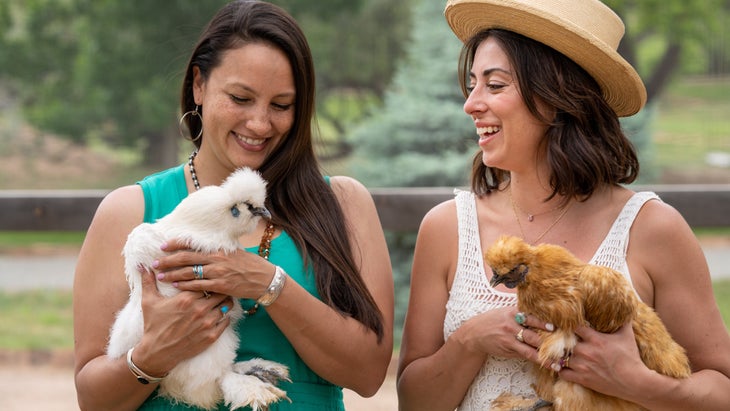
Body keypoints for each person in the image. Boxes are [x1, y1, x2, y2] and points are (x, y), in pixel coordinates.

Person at [397, 0, 730, 410]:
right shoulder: (447, 227)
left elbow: (723, 392)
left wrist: (633, 382)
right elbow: (413, 402)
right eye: (472, 84)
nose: (471, 103)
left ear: (557, 96)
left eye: (495, 85)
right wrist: (472, 339)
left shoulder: (651, 228)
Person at [72, 1, 394, 410]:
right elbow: (93, 401)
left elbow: (367, 375)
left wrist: (266, 283)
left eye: (281, 105)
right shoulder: (129, 211)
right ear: (198, 86)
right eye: (241, 98)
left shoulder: (344, 204)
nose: (260, 124)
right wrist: (154, 355)